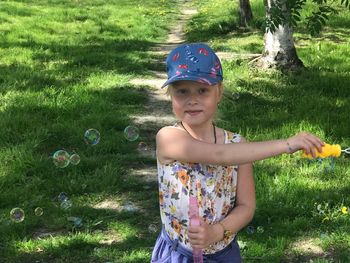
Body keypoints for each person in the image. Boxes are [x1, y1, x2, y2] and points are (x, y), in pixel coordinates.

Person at [151, 43, 323, 263]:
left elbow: (246, 206)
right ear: (170, 95)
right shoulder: (168, 138)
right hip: (178, 255)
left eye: (202, 90)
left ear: (219, 92)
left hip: (224, 255)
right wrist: (287, 144)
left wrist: (217, 231)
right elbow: (218, 155)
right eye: (182, 91)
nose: (192, 100)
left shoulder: (237, 145)